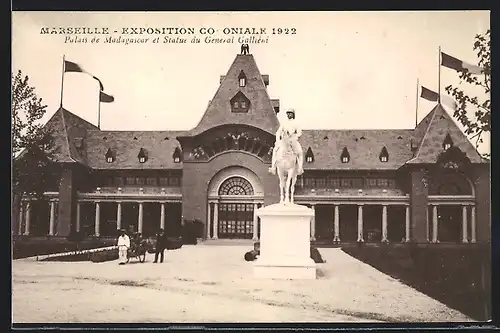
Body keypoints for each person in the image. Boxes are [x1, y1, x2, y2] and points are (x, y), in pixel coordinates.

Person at [269, 109, 304, 175]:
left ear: (293, 114)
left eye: (290, 113)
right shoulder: (284, 124)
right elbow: (278, 132)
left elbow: (299, 133)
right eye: (288, 113)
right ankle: (273, 167)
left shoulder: (296, 123)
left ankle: (300, 168)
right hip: (284, 140)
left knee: (300, 152)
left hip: (292, 141)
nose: (289, 115)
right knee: (275, 150)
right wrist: (277, 141)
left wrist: (294, 136)